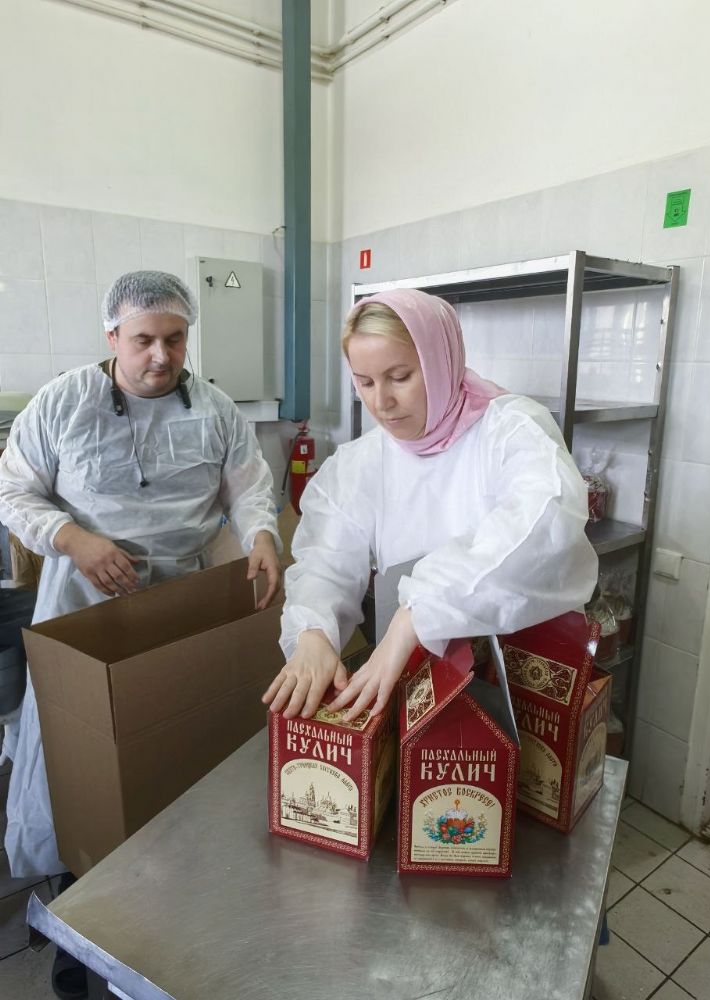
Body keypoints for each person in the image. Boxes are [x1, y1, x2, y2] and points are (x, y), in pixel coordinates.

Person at [0, 270, 282, 884]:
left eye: (175, 340)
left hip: (182, 597)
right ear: (112, 337)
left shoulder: (213, 408)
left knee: (172, 729)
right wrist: (73, 539)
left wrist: (261, 534)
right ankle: (76, 870)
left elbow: (249, 485)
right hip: (84, 600)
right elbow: (13, 490)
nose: (161, 356)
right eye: (144, 340)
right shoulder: (64, 402)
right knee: (78, 741)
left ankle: (176, 869)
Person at [264, 288, 598, 722]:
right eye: (365, 382)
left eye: (400, 376)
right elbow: (326, 560)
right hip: (421, 677)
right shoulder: (362, 463)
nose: (381, 402)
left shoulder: (511, 430)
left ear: (440, 363)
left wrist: (416, 614)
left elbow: (542, 526)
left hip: (525, 681)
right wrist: (312, 631)